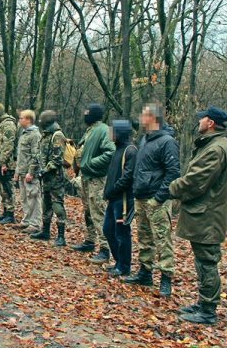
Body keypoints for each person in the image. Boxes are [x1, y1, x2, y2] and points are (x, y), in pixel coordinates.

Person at [170, 106, 227, 325]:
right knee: (203, 261)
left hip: (208, 216)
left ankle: (208, 310)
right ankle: (204, 303)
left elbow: (195, 182)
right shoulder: (213, 145)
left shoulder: (215, 149)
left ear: (211, 124)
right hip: (205, 214)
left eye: (202, 119)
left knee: (207, 262)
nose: (198, 122)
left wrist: (171, 188)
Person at [125, 103, 180, 297]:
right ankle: (145, 272)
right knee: (144, 237)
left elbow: (173, 172)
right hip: (141, 197)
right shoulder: (144, 140)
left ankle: (166, 278)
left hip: (157, 199)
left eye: (144, 115)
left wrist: (159, 198)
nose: (140, 118)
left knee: (162, 239)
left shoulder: (167, 142)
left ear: (153, 118)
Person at [73, 103, 115, 263]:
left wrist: (89, 163)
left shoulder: (105, 130)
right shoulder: (89, 130)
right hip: (86, 177)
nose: (85, 115)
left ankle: (105, 249)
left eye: (87, 113)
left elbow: (111, 152)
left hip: (98, 179)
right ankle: (90, 241)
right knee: (88, 211)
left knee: (99, 212)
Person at [102, 120, 137, 276]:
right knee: (108, 229)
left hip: (123, 200)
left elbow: (127, 177)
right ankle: (118, 261)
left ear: (120, 133)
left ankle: (124, 266)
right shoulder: (117, 150)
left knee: (122, 233)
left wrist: (113, 190)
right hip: (113, 199)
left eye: (113, 131)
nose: (110, 134)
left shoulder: (130, 151)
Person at [31, 110, 68, 246]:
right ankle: (45, 231)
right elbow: (39, 155)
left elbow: (57, 159)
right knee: (45, 204)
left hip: (55, 178)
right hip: (45, 178)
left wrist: (44, 171)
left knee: (57, 205)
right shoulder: (45, 135)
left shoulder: (57, 136)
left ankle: (61, 236)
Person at [14, 110, 42, 233]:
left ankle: (35, 224)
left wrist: (31, 172)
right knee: (24, 198)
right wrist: (17, 171)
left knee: (33, 198)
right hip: (22, 172)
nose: (19, 120)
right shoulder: (23, 134)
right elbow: (20, 155)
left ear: (28, 120)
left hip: (30, 173)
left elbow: (36, 155)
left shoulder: (35, 135)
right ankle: (26, 221)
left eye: (21, 118)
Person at [0, 102, 18, 223]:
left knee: (7, 188)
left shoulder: (8, 124)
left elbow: (8, 144)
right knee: (1, 188)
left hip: (7, 162)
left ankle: (10, 213)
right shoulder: (0, 124)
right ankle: (5, 211)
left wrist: (3, 162)